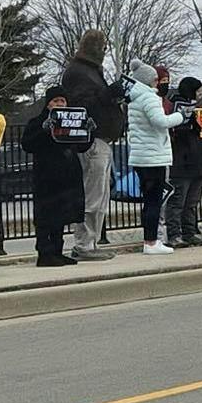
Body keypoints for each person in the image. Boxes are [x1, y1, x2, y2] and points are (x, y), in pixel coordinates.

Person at [61, 30, 125, 262]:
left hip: (102, 139)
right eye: (103, 46)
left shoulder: (89, 71)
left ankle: (91, 241)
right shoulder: (79, 73)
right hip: (92, 140)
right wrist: (108, 95)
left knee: (100, 194)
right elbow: (81, 105)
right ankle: (83, 243)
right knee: (93, 194)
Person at [123, 61, 187, 254]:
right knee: (154, 201)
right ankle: (151, 242)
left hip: (141, 156)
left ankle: (149, 240)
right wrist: (180, 116)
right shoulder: (149, 98)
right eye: (156, 80)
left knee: (149, 200)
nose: (159, 83)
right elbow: (160, 122)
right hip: (153, 157)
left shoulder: (134, 99)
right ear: (150, 81)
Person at [24, 85, 90, 266]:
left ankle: (57, 251)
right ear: (48, 103)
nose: (59, 104)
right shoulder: (36, 122)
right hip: (46, 178)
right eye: (55, 101)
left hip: (67, 177)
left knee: (61, 217)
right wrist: (44, 130)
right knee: (46, 217)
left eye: (62, 101)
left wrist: (89, 132)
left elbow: (82, 146)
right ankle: (45, 253)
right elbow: (27, 144)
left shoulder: (71, 121)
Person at [162, 76, 202, 247]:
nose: (199, 95)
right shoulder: (172, 106)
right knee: (178, 200)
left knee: (192, 201)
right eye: (197, 91)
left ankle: (190, 231)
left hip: (197, 160)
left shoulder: (199, 108)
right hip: (181, 161)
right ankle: (174, 233)